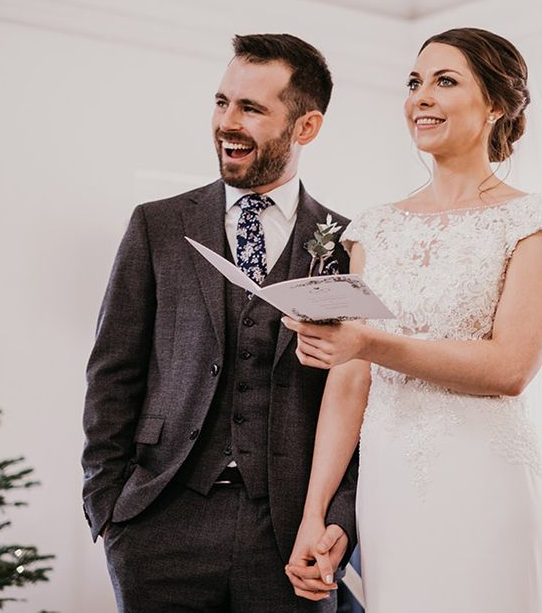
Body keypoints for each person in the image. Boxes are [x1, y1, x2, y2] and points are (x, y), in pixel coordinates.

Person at [283, 28, 542, 611]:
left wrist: (367, 342)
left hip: (485, 481)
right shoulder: (374, 227)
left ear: (494, 105)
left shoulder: (530, 223)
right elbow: (350, 381)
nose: (422, 97)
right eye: (414, 83)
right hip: (390, 491)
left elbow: (510, 367)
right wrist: (314, 515)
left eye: (445, 81)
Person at [81, 33, 358, 612]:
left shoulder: (348, 243)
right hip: (159, 521)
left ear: (305, 128)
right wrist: (109, 508)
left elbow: (360, 400)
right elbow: (113, 371)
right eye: (221, 101)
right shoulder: (156, 225)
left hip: (289, 533)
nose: (227, 122)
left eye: (251, 108)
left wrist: (338, 522)